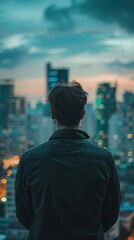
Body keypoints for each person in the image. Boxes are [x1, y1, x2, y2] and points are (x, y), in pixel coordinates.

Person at [15, 81, 121, 240]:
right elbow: (111, 214)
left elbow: (23, 212)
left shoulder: (30, 159)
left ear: (52, 113)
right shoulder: (103, 159)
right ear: (83, 114)